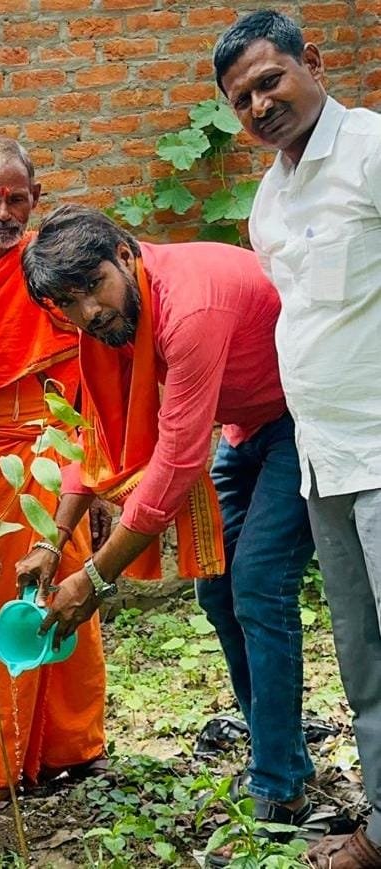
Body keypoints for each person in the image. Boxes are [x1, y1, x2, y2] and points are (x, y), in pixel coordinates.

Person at [18, 205, 316, 865]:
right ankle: (279, 744)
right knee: (219, 594)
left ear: (125, 257)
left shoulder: (190, 308)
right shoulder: (112, 325)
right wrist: (53, 536)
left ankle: (282, 785)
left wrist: (94, 576)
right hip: (245, 426)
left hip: (297, 417)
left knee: (260, 586)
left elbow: (178, 462)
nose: (88, 312)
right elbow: (93, 433)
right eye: (68, 302)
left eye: (93, 286)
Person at [214, 10, 381, 868]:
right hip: (322, 457)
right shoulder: (272, 195)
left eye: (270, 80)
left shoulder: (371, 152)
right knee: (364, 657)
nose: (259, 104)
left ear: (313, 62)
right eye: (242, 98)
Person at [0, 137, 108, 807]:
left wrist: (90, 475)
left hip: (51, 452)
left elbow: (86, 375)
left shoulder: (53, 267)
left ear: (35, 199)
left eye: (16, 198)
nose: (3, 210)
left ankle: (73, 745)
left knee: (66, 587)